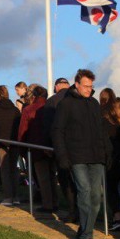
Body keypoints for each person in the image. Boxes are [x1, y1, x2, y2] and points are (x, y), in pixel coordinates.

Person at [52, 69, 111, 239]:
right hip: (76, 157)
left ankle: (84, 231)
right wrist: (62, 156)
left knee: (95, 197)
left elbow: (102, 131)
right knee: (84, 192)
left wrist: (107, 153)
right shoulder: (66, 104)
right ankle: (86, 235)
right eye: (86, 86)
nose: (89, 89)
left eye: (91, 86)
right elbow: (57, 131)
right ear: (77, 84)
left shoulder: (94, 104)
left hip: (96, 157)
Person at [18, 85, 57, 212]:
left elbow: (22, 130)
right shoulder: (52, 108)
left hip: (36, 147)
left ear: (34, 96)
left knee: (42, 177)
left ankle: (47, 204)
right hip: (52, 146)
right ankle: (54, 202)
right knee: (52, 176)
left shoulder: (28, 109)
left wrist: (22, 149)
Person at [44, 77, 77, 222]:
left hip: (61, 147)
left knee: (65, 180)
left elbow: (49, 126)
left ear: (57, 87)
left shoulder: (52, 101)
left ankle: (72, 210)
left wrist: (48, 146)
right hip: (79, 146)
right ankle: (82, 211)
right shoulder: (79, 98)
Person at [100, 88, 120, 230]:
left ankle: (117, 217)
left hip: (110, 158)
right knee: (117, 188)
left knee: (112, 188)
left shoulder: (103, 117)